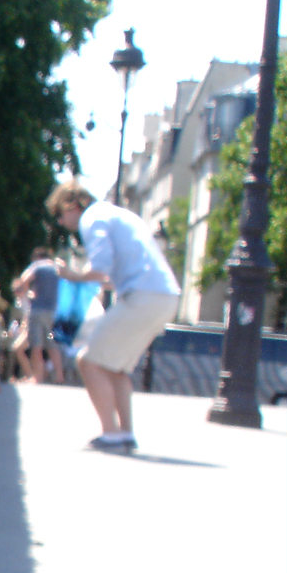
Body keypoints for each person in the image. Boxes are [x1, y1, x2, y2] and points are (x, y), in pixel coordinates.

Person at [46, 181, 180, 452]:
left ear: (73, 205)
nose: (61, 222)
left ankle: (111, 433)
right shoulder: (118, 214)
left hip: (144, 295)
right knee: (114, 368)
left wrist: (71, 275)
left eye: (60, 214)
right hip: (164, 295)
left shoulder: (93, 218)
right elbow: (109, 279)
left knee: (89, 360)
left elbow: (98, 270)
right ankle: (125, 433)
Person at [10, 247, 65, 384]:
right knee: (51, 345)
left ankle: (37, 377)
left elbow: (24, 280)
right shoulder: (55, 268)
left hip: (38, 309)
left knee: (36, 345)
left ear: (37, 258)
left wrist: (27, 291)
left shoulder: (37, 267)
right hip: (52, 311)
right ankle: (59, 375)